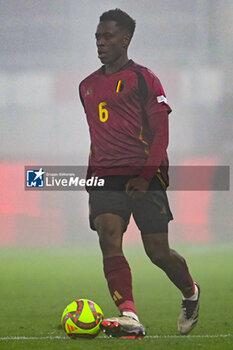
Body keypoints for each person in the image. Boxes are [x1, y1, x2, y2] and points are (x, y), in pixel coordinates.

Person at [79, 8, 200, 339]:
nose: (101, 43)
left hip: (145, 174)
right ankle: (129, 314)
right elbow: (98, 134)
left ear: (125, 39)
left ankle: (190, 292)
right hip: (105, 176)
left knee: (157, 252)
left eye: (107, 37)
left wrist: (146, 176)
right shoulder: (86, 85)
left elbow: (161, 134)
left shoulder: (145, 79)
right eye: (97, 37)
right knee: (108, 235)